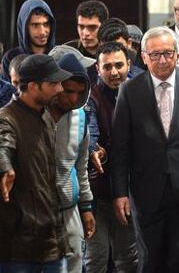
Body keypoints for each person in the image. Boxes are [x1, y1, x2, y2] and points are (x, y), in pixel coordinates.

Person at [110, 27, 179, 273]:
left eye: (168, 53)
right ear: (143, 57)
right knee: (150, 260)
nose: (162, 60)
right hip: (145, 191)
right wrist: (120, 192)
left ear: (177, 54)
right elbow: (120, 147)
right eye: (155, 55)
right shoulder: (129, 91)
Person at [0, 54, 72, 271]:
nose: (60, 89)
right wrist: (5, 169)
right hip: (19, 247)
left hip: (52, 242)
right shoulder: (7, 118)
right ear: (33, 86)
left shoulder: (46, 116)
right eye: (53, 83)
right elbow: (2, 144)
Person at [84, 42, 139, 273]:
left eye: (119, 65)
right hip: (98, 193)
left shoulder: (140, 94)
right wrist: (93, 150)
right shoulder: (91, 96)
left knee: (128, 260)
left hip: (132, 190)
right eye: (107, 67)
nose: (114, 72)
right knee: (95, 260)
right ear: (98, 69)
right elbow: (90, 131)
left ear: (129, 65)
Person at [48, 53, 95, 273]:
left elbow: (81, 167)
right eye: (68, 91)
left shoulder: (81, 118)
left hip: (69, 208)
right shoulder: (33, 114)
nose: (73, 99)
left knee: (76, 262)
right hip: (35, 210)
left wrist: (86, 207)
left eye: (79, 92)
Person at [1, 0, 56, 82]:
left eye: (46, 24)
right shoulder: (10, 58)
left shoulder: (59, 55)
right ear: (24, 27)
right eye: (35, 25)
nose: (42, 32)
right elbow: (7, 93)